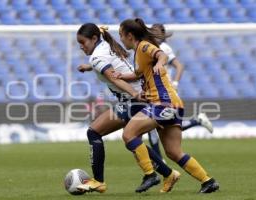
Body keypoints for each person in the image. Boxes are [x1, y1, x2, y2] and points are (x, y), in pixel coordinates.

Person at [117, 18, 219, 193]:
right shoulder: (138, 53)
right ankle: (208, 181)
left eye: (121, 35)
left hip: (163, 103)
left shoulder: (143, 46)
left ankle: (150, 174)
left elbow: (161, 54)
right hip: (173, 103)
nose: (120, 39)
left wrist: (159, 62)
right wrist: (120, 75)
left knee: (129, 134)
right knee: (173, 152)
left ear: (129, 35)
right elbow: (137, 74)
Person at [75, 23, 180, 194]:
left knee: (94, 132)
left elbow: (115, 78)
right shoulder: (106, 45)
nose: (81, 46)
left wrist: (134, 94)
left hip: (133, 98)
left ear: (94, 38)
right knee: (133, 140)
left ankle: (99, 181)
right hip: (138, 96)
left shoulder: (96, 57)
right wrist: (89, 67)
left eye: (83, 42)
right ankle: (168, 174)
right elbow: (114, 65)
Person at [147, 24, 214, 161]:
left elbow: (179, 66)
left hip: (163, 92)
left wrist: (175, 83)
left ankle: (159, 160)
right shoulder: (151, 47)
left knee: (157, 124)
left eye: (156, 31)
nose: (154, 33)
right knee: (162, 125)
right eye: (152, 31)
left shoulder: (163, 48)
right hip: (156, 91)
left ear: (162, 33)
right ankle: (197, 120)